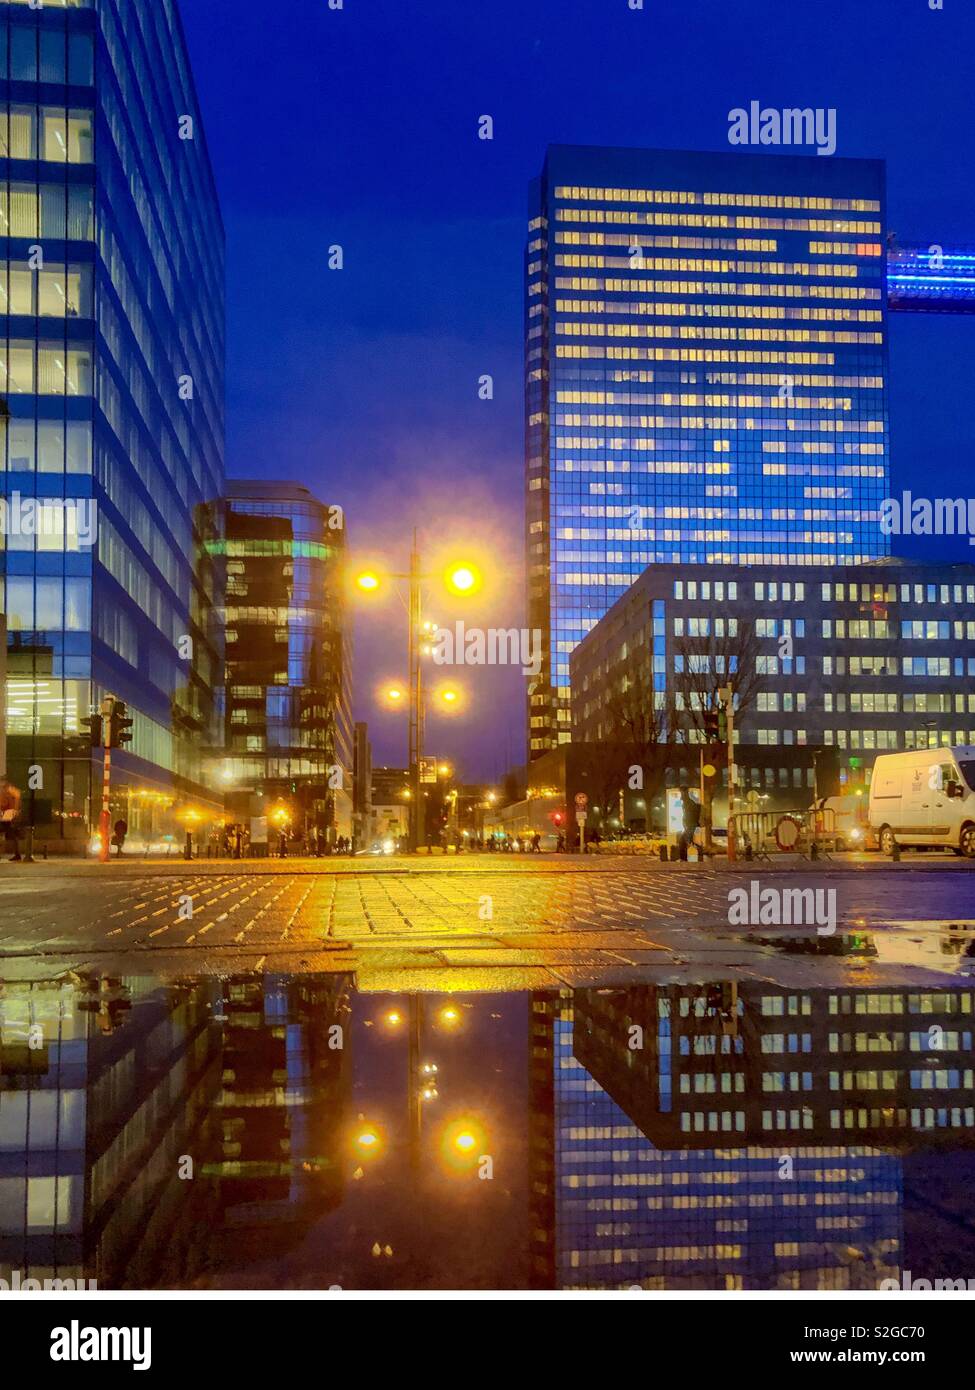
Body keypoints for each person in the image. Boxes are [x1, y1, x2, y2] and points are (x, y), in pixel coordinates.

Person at [1, 778, 22, 862]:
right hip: (11, 817)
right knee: (14, 837)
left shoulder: (9, 793)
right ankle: (17, 854)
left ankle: (17, 854)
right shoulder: (15, 792)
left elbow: (4, 804)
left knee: (13, 836)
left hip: (8, 817)